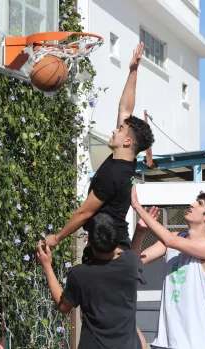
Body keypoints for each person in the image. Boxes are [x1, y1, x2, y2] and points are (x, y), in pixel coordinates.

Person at [46, 42, 155, 255]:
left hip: (110, 250)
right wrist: (133, 71)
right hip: (110, 242)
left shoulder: (114, 173)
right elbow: (126, 108)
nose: (114, 131)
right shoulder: (126, 162)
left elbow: (84, 213)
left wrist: (57, 237)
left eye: (120, 130)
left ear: (127, 142)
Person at [130, 185, 205, 349]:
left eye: (199, 203)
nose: (192, 204)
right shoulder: (176, 236)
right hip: (164, 340)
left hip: (193, 341)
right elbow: (134, 262)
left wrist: (137, 206)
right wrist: (139, 232)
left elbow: (170, 241)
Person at [37, 213, 147, 349]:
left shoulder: (80, 274)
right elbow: (126, 253)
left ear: (90, 241)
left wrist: (47, 266)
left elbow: (63, 306)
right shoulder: (132, 263)